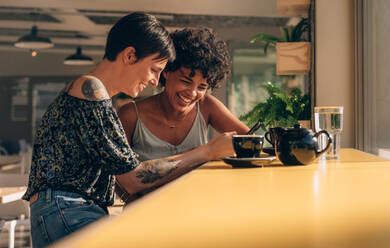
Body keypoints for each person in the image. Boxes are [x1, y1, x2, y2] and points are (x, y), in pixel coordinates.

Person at [22, 12, 236, 248]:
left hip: (69, 210)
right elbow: (133, 177)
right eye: (154, 70)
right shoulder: (89, 89)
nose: (155, 81)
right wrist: (207, 151)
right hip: (67, 210)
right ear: (130, 55)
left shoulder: (96, 95)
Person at [117, 27, 249, 164]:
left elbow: (250, 141)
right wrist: (209, 151)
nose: (192, 93)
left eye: (202, 87)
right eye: (186, 81)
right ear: (166, 71)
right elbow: (119, 178)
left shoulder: (206, 106)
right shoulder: (130, 115)